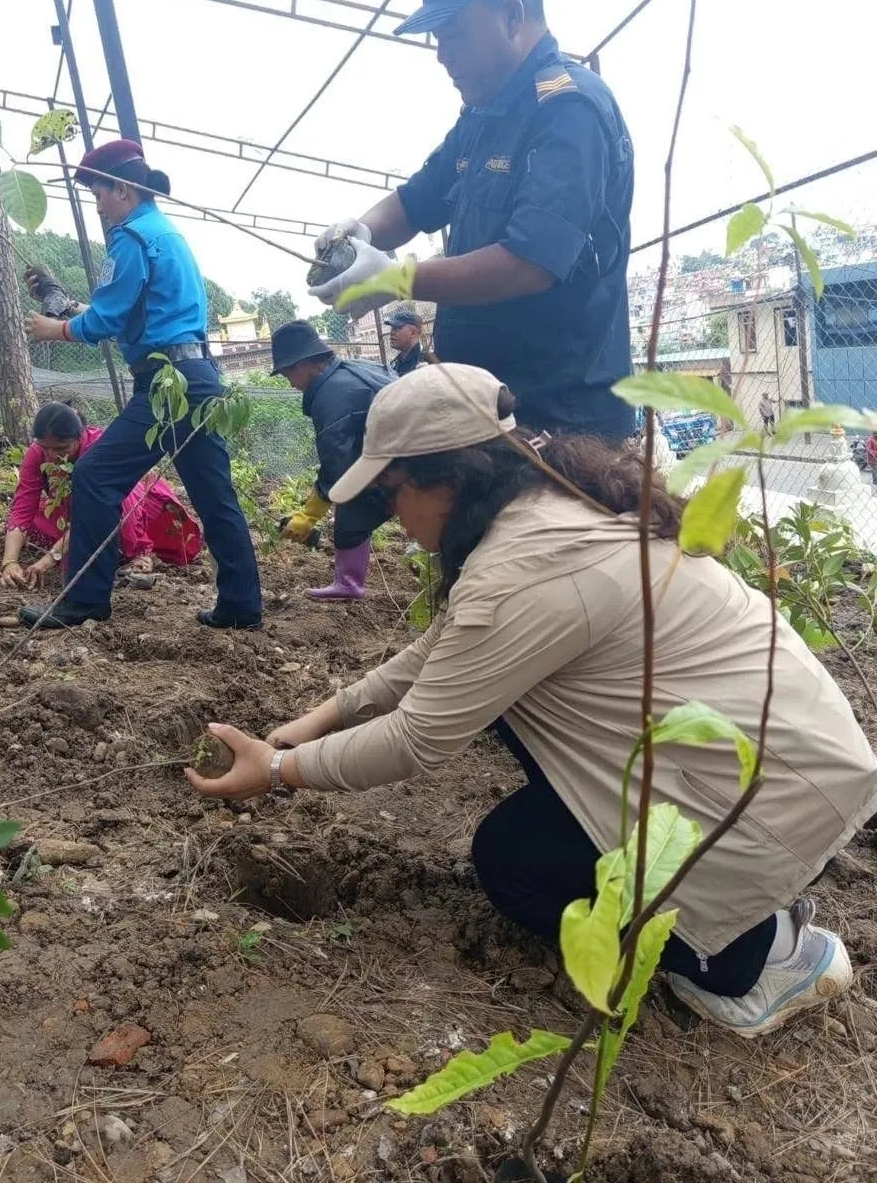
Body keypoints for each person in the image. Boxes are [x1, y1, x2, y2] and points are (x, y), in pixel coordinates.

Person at [183, 363, 877, 1037]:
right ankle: (746, 891)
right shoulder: (547, 499)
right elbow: (445, 652)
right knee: (513, 712)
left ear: (446, 480)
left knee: (513, 866)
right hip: (789, 759)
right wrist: (306, 727)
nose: (393, 517)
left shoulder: (521, 571)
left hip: (766, 805)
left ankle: (757, 954)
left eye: (394, 493)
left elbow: (417, 740)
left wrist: (274, 774)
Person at [310, 0, 634, 441]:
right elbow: (418, 199)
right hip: (487, 406)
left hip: (561, 423)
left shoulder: (568, 109)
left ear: (511, 13)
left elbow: (527, 265)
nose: (442, 53)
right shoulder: (483, 115)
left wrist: (394, 278)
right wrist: (361, 234)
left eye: (454, 33)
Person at [21, 139, 262, 630]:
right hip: (196, 378)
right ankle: (242, 606)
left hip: (164, 383)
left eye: (100, 193)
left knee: (94, 475)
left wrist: (56, 328)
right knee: (215, 496)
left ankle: (85, 600)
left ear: (124, 190)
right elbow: (133, 313)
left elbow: (107, 319)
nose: (98, 204)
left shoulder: (129, 237)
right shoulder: (165, 233)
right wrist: (68, 307)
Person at [0, 400, 202, 592]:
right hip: (72, 510)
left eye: (61, 448)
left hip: (128, 504)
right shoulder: (36, 454)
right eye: (45, 448)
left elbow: (91, 510)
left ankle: (137, 553)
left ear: (79, 437)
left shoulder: (100, 446)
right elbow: (23, 505)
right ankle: (81, 546)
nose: (51, 455)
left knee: (120, 501)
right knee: (36, 514)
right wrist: (9, 562)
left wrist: (50, 558)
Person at [271, 320, 392, 601]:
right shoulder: (352, 370)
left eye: (288, 373)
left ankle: (349, 585)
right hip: (408, 450)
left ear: (303, 364)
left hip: (418, 458)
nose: (290, 383)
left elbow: (338, 461)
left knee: (353, 501)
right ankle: (349, 583)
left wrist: (308, 515)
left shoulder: (332, 395)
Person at [386, 309, 425, 377]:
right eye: (392, 328)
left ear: (413, 333)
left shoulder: (426, 362)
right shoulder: (394, 364)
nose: (391, 332)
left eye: (397, 328)